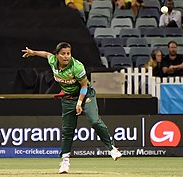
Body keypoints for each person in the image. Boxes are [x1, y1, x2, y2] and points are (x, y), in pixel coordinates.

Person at [22, 42, 122, 174]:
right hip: (68, 98)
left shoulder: (77, 67)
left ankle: (112, 148)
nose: (66, 56)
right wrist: (33, 53)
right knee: (67, 131)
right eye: (63, 54)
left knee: (95, 121)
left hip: (85, 95)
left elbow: (84, 86)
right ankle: (65, 161)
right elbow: (46, 54)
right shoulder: (53, 61)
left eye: (68, 53)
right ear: (57, 55)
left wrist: (80, 103)